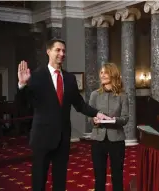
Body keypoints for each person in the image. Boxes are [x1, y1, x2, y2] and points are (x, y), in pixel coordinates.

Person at [17, 38, 110, 191]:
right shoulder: (36, 76)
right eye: (58, 50)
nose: (62, 54)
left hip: (63, 138)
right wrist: (22, 85)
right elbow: (22, 105)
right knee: (39, 181)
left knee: (60, 181)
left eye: (63, 51)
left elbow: (79, 105)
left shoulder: (69, 78)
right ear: (48, 52)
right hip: (42, 138)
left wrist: (98, 113)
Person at [89, 63, 129, 191]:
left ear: (113, 74)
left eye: (106, 72)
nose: (102, 75)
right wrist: (94, 120)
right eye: (101, 73)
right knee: (99, 177)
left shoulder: (122, 96)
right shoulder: (94, 95)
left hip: (116, 140)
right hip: (98, 139)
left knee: (117, 176)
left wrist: (113, 120)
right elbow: (89, 116)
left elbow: (125, 118)